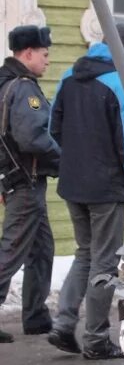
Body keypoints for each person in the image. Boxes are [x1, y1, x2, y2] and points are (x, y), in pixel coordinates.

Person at [47, 23, 124, 360]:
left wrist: (76, 162)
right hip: (106, 188)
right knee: (104, 262)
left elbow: (52, 129)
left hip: (73, 184)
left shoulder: (68, 79)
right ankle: (96, 339)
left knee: (85, 253)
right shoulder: (123, 84)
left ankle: (63, 322)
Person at [0, 25, 60, 344]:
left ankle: (36, 317)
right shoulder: (23, 89)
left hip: (18, 180)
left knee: (42, 249)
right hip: (26, 182)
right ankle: (35, 315)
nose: (48, 61)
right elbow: (32, 138)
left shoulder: (8, 84)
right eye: (45, 54)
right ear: (28, 54)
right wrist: (63, 156)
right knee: (10, 252)